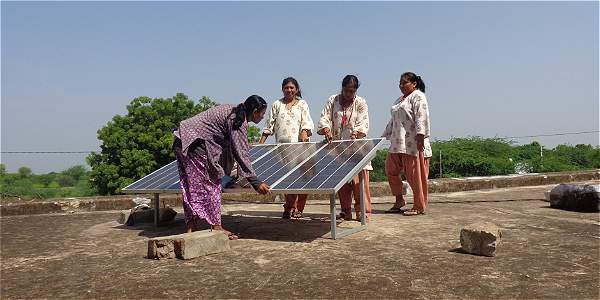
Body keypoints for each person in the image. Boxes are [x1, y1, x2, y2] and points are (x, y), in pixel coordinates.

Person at [173, 95, 272, 239]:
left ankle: (191, 226)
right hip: (195, 144)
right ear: (255, 111)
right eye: (262, 113)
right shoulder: (238, 120)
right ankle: (216, 226)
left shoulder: (232, 110)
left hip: (180, 141)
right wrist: (255, 182)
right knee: (212, 184)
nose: (263, 117)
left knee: (189, 187)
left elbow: (230, 147)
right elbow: (241, 152)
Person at [317, 74, 372, 221]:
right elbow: (325, 117)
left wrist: (356, 133)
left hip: (356, 147)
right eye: (346, 90)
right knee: (342, 181)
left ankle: (363, 211)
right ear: (342, 88)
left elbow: (363, 122)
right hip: (337, 148)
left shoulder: (361, 102)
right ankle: (346, 211)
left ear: (356, 90)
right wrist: (327, 130)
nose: (348, 94)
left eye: (352, 91)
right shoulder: (333, 100)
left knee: (358, 181)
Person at [259, 77, 314, 219]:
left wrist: (304, 132)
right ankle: (289, 207)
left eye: (292, 88)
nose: (289, 90)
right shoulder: (277, 104)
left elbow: (307, 122)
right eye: (286, 88)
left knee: (301, 179)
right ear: (282, 89)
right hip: (282, 149)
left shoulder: (302, 104)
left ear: (296, 89)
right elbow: (269, 125)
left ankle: (296, 208)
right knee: (288, 179)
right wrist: (261, 142)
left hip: (300, 147)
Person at [382, 72, 431, 216]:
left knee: (415, 176)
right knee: (391, 171)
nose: (401, 86)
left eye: (404, 83)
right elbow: (394, 119)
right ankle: (399, 200)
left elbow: (421, 116)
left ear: (414, 83)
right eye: (400, 83)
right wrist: (385, 134)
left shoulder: (418, 96)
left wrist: (421, 136)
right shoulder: (399, 100)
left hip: (412, 143)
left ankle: (418, 205)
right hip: (397, 143)